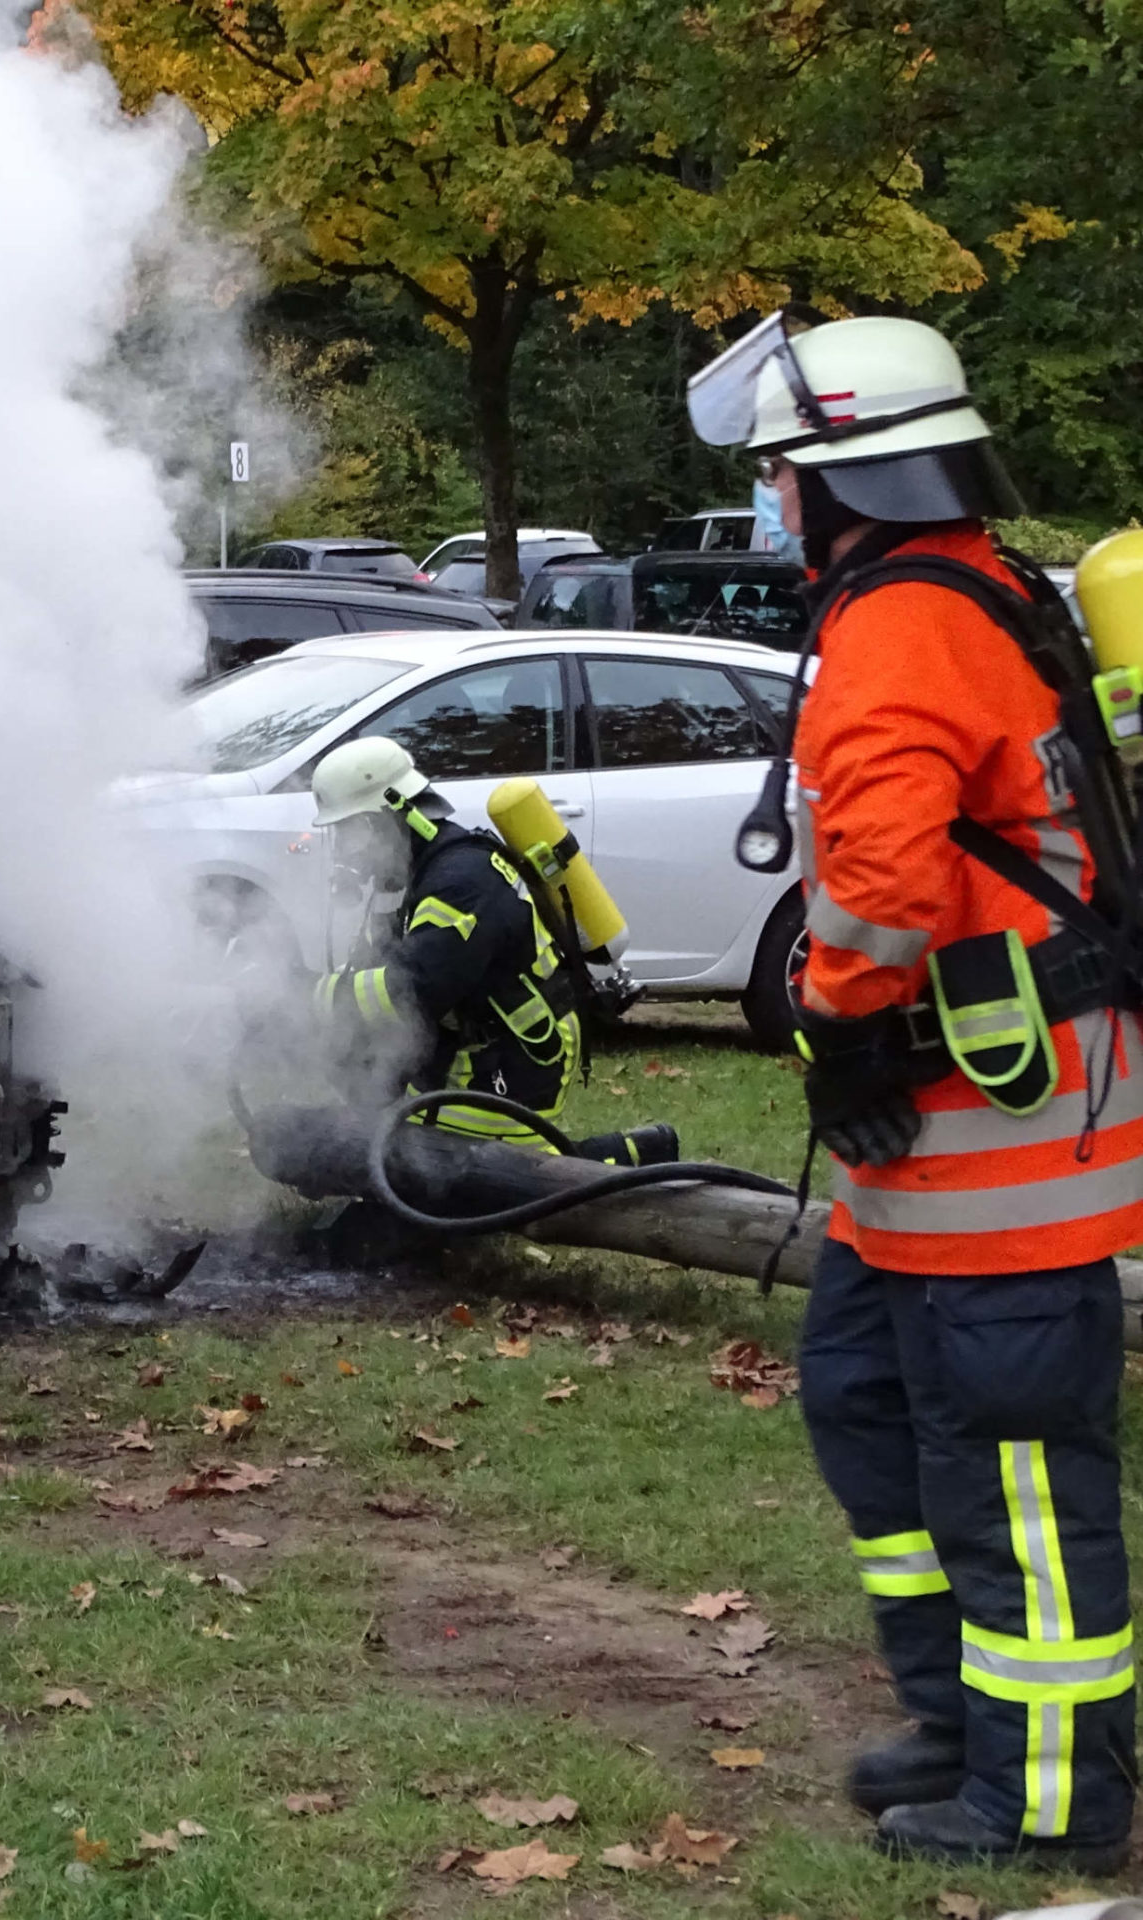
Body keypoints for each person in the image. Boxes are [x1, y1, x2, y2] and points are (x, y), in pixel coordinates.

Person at [693, 310, 1142, 1869]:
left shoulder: (900, 625)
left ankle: (1049, 1798)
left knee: (1010, 1463)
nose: (768, 502)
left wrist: (845, 1017)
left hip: (995, 1139)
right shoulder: (959, 592)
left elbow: (880, 885)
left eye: (776, 474)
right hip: (941, 1146)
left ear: (840, 478)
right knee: (871, 1403)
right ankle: (961, 1717)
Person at [305, 735, 674, 1166]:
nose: (345, 850)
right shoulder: (405, 877)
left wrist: (304, 997)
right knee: (404, 1152)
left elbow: (410, 989)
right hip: (464, 1040)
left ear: (378, 822)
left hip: (521, 1050)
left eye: (347, 831)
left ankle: (638, 1152)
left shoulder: (462, 881)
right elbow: (374, 971)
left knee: (481, 1175)